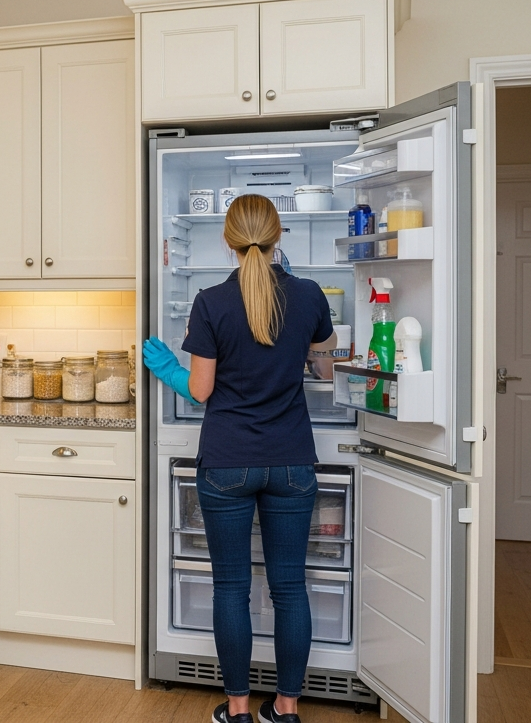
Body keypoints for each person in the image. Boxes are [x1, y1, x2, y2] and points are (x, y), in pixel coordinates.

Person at [142, 195, 337, 723]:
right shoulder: (309, 295)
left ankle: (237, 710)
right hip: (293, 462)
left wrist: (167, 370)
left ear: (228, 241)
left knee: (231, 586)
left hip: (227, 462)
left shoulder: (210, 302)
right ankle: (287, 709)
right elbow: (325, 374)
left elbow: (201, 392)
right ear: (279, 239)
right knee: (289, 586)